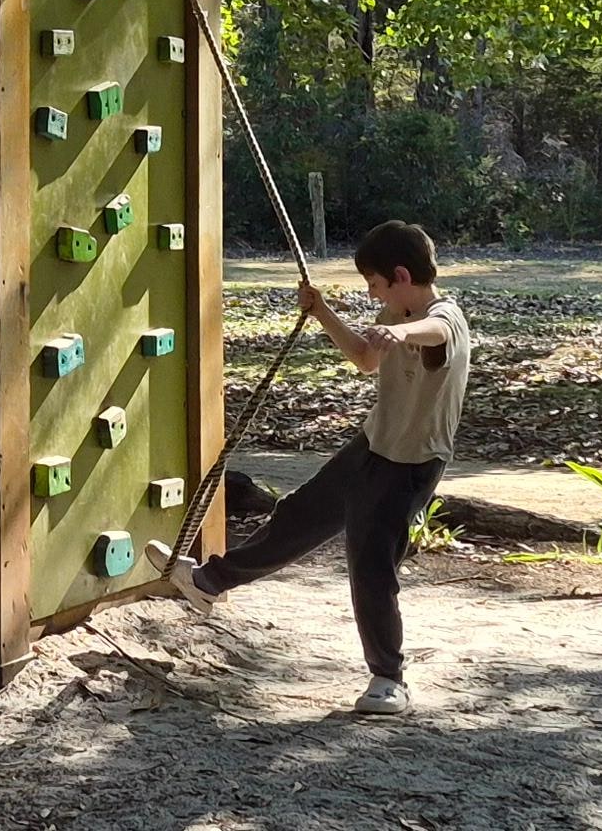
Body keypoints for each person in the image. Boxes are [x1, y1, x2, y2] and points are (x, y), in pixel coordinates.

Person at [156, 219, 473, 717]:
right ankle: (209, 582)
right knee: (300, 513)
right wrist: (322, 310)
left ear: (400, 275)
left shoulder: (443, 318)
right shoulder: (396, 308)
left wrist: (398, 329)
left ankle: (389, 680)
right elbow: (366, 359)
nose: (372, 297)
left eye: (374, 285)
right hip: (371, 446)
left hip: (410, 464)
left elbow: (432, 333)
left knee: (370, 565)